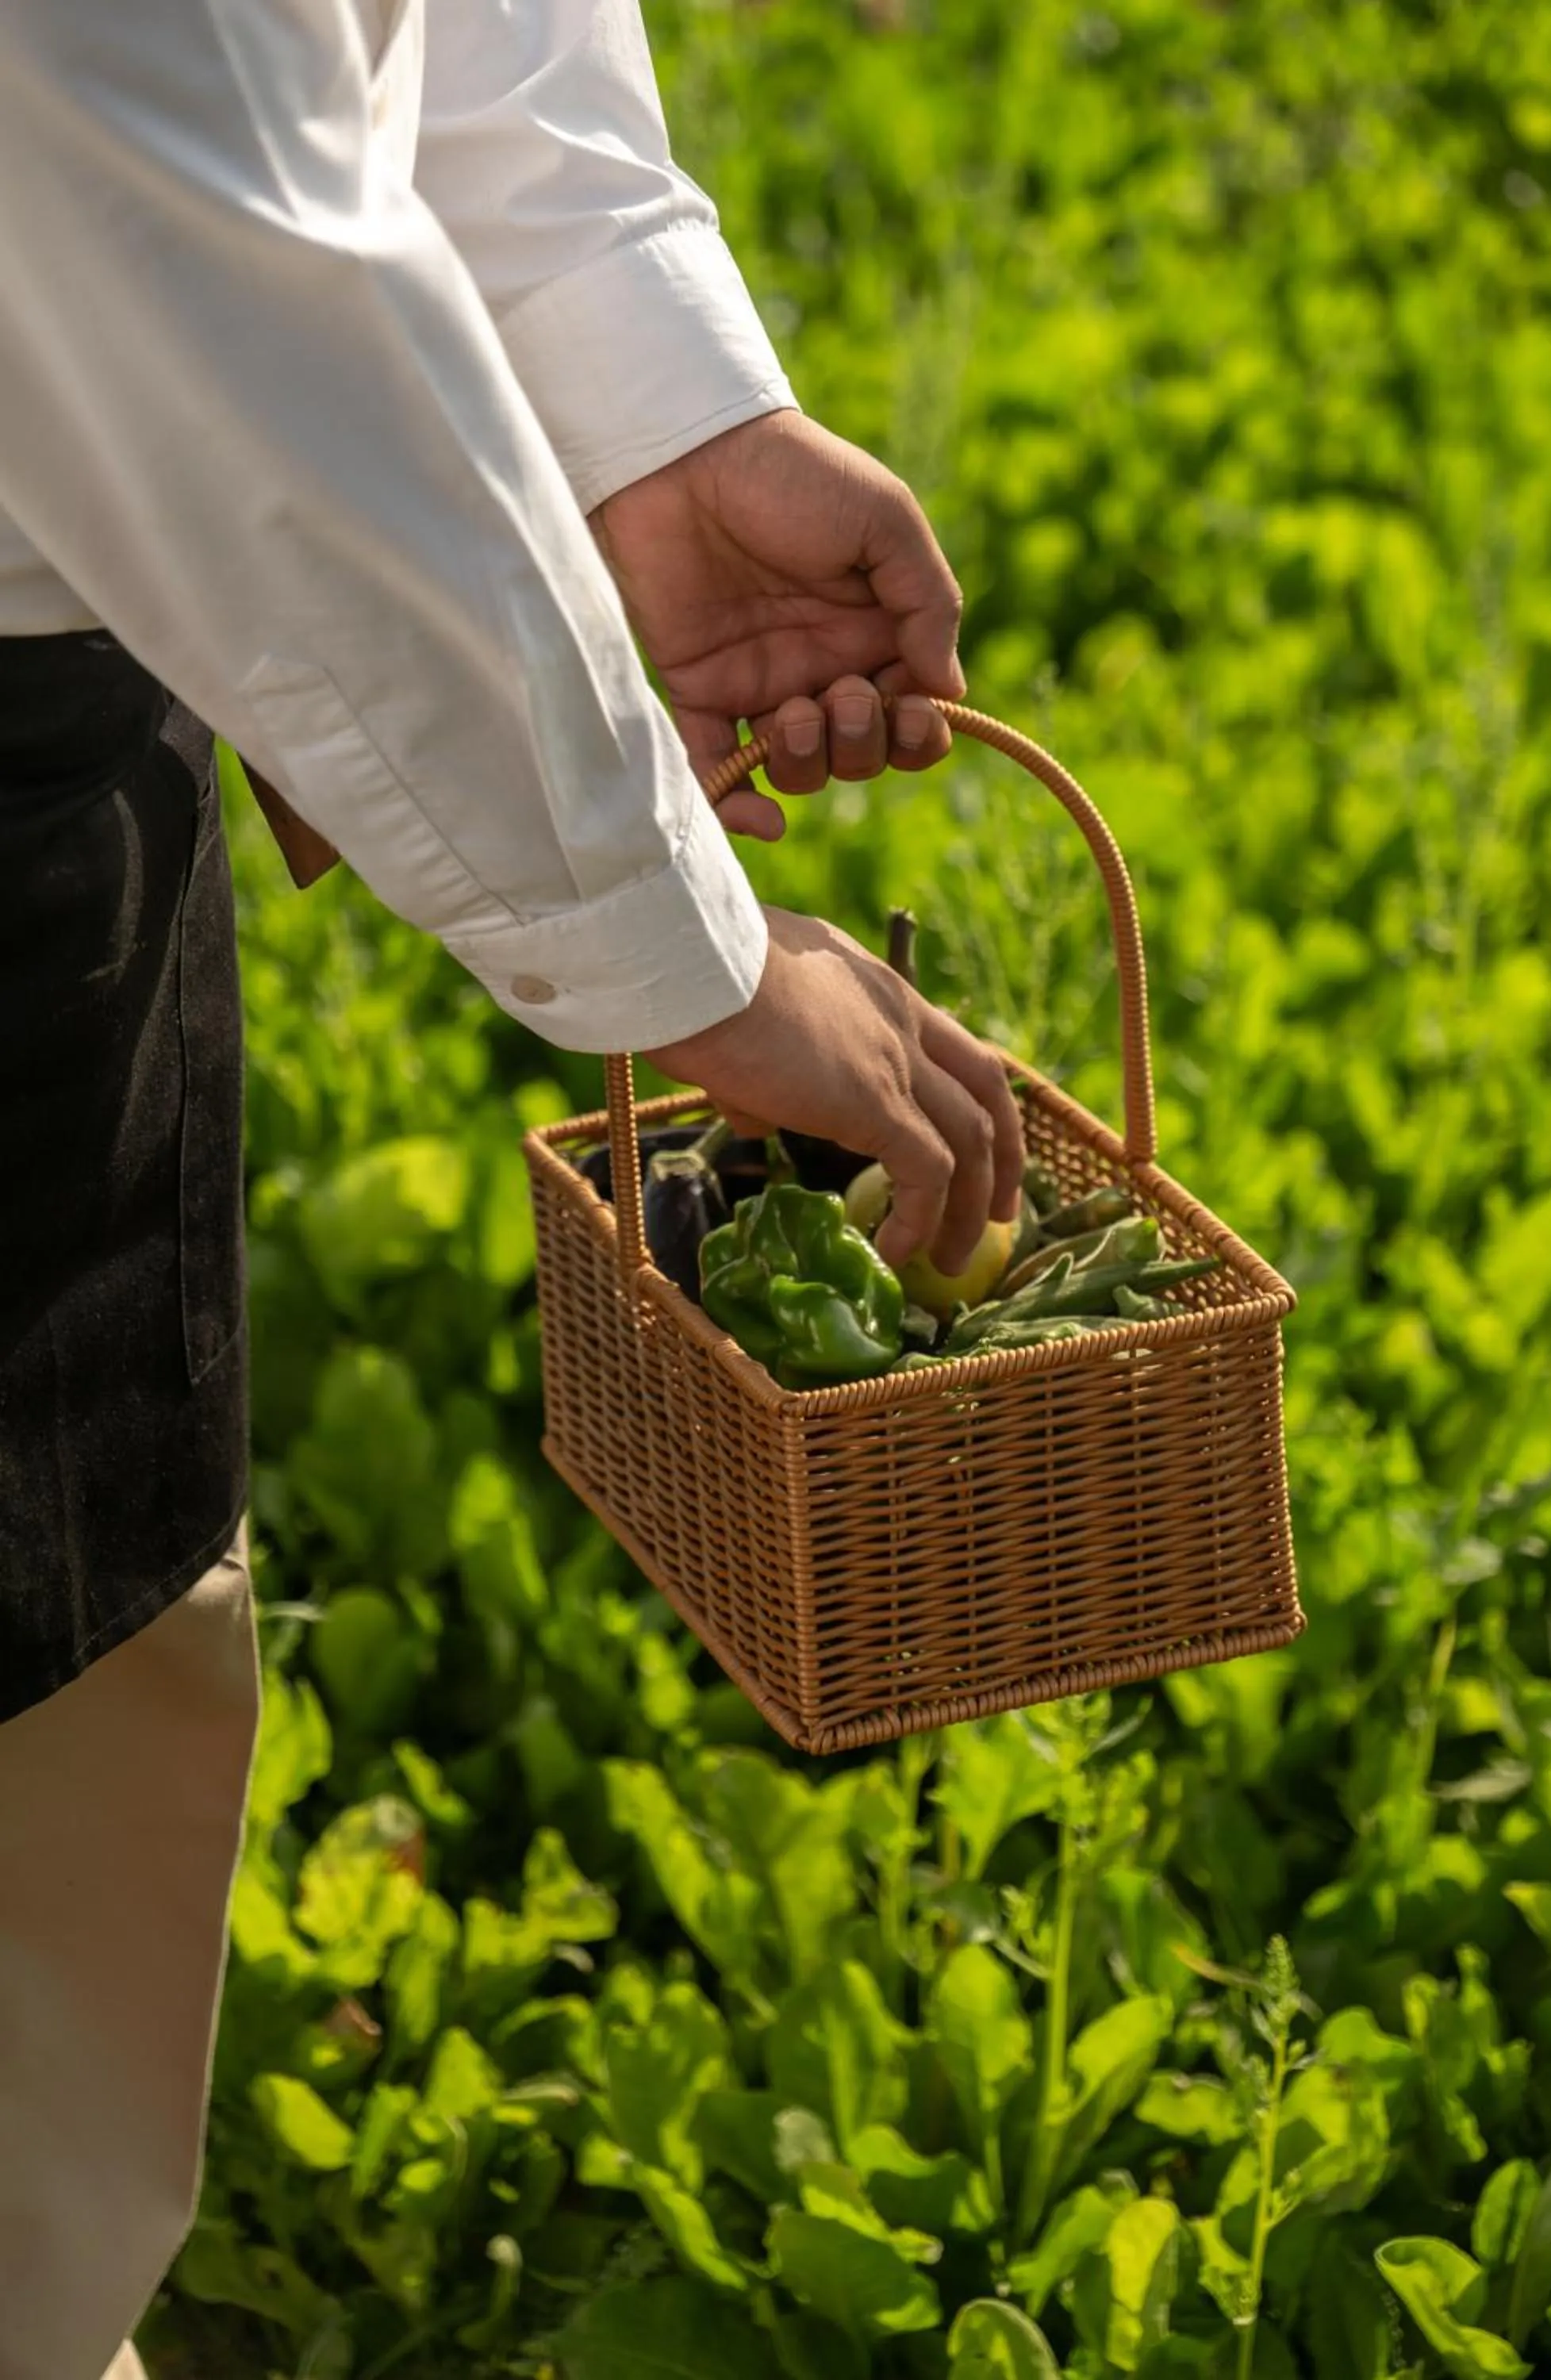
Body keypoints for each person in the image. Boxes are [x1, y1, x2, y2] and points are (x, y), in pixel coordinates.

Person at [0, 3, 1023, 2374]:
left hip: (72, 717)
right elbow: (152, 168)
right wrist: (686, 947)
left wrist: (640, 391)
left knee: (83, 1638)